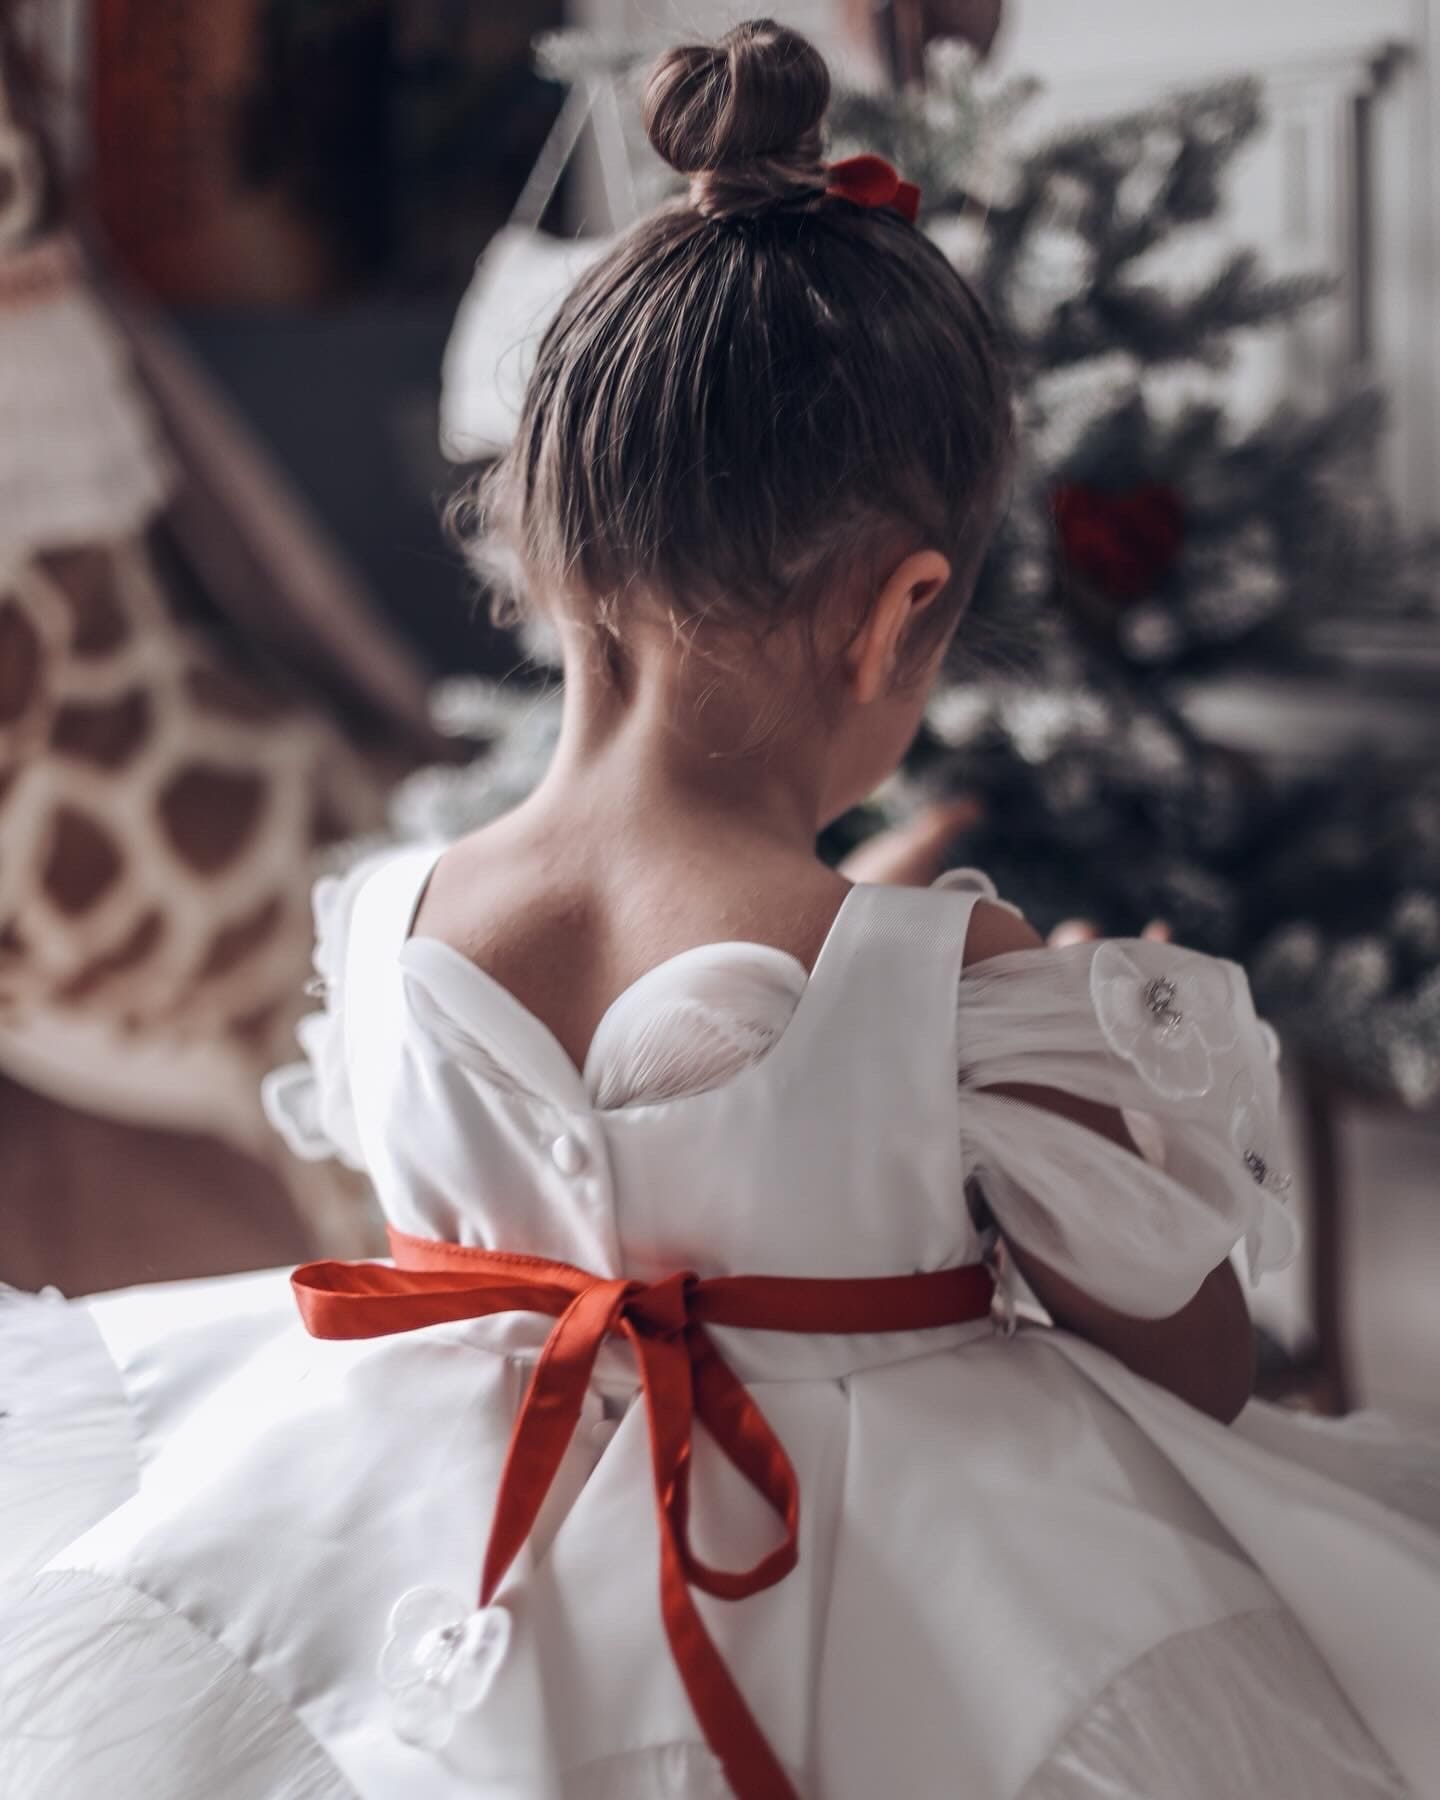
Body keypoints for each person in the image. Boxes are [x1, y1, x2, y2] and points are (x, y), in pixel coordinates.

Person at [3, 20, 1438, 1800]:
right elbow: (1196, 1362)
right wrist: (1064, 1061)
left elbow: (627, 1117)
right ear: (897, 611)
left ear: (537, 539)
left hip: (465, 1605)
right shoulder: (953, 981)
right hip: (914, 1628)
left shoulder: (384, 924)